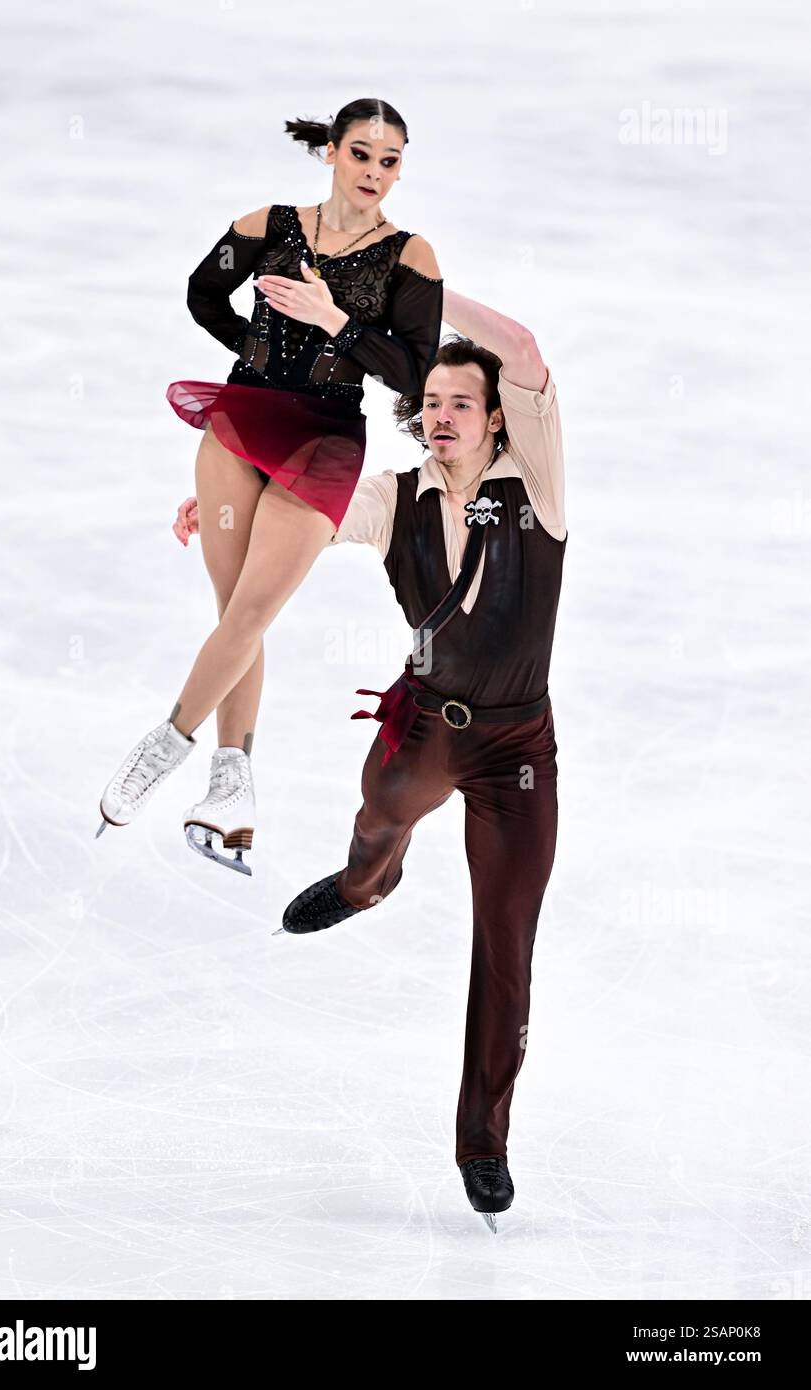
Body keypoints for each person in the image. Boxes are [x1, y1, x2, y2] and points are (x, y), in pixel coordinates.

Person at [95, 98, 443, 874]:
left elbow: (418, 374)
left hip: (325, 438)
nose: (375, 174)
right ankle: (232, 788)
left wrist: (335, 325)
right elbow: (201, 293)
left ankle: (166, 744)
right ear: (331, 154)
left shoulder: (412, 257)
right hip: (240, 423)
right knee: (235, 615)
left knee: (254, 609)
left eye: (390, 161)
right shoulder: (269, 225)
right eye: (361, 155)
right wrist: (256, 344)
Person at [279, 293, 567, 1229]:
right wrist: (227, 515)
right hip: (428, 729)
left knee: (506, 943)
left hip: (518, 745)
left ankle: (483, 1140)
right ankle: (367, 884)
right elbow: (306, 515)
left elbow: (519, 344)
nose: (440, 415)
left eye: (460, 402)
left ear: (494, 418)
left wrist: (416, 290)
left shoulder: (539, 489)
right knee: (379, 819)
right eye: (430, 401)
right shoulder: (393, 497)